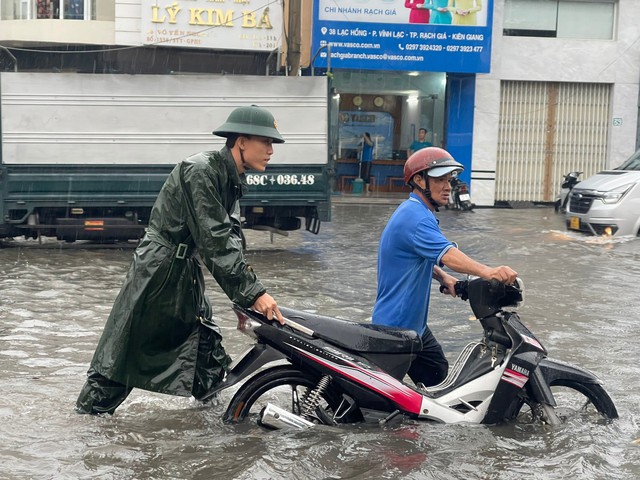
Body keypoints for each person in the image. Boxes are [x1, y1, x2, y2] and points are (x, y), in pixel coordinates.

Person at [76, 105, 286, 415]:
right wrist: (254, 292)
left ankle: (215, 421)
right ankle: (86, 423)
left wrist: (248, 287)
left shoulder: (229, 176)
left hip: (183, 270)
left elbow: (229, 237)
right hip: (160, 273)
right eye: (265, 142)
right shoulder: (201, 170)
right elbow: (214, 240)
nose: (270, 150)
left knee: (206, 347)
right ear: (241, 141)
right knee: (125, 353)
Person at [372, 147, 518, 388]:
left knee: (437, 377)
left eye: (449, 179)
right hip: (397, 329)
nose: (448, 186)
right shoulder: (415, 218)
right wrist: (489, 272)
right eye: (439, 179)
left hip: (414, 326)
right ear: (419, 181)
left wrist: (443, 278)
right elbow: (448, 254)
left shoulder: (416, 211)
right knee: (382, 401)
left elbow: (419, 255)